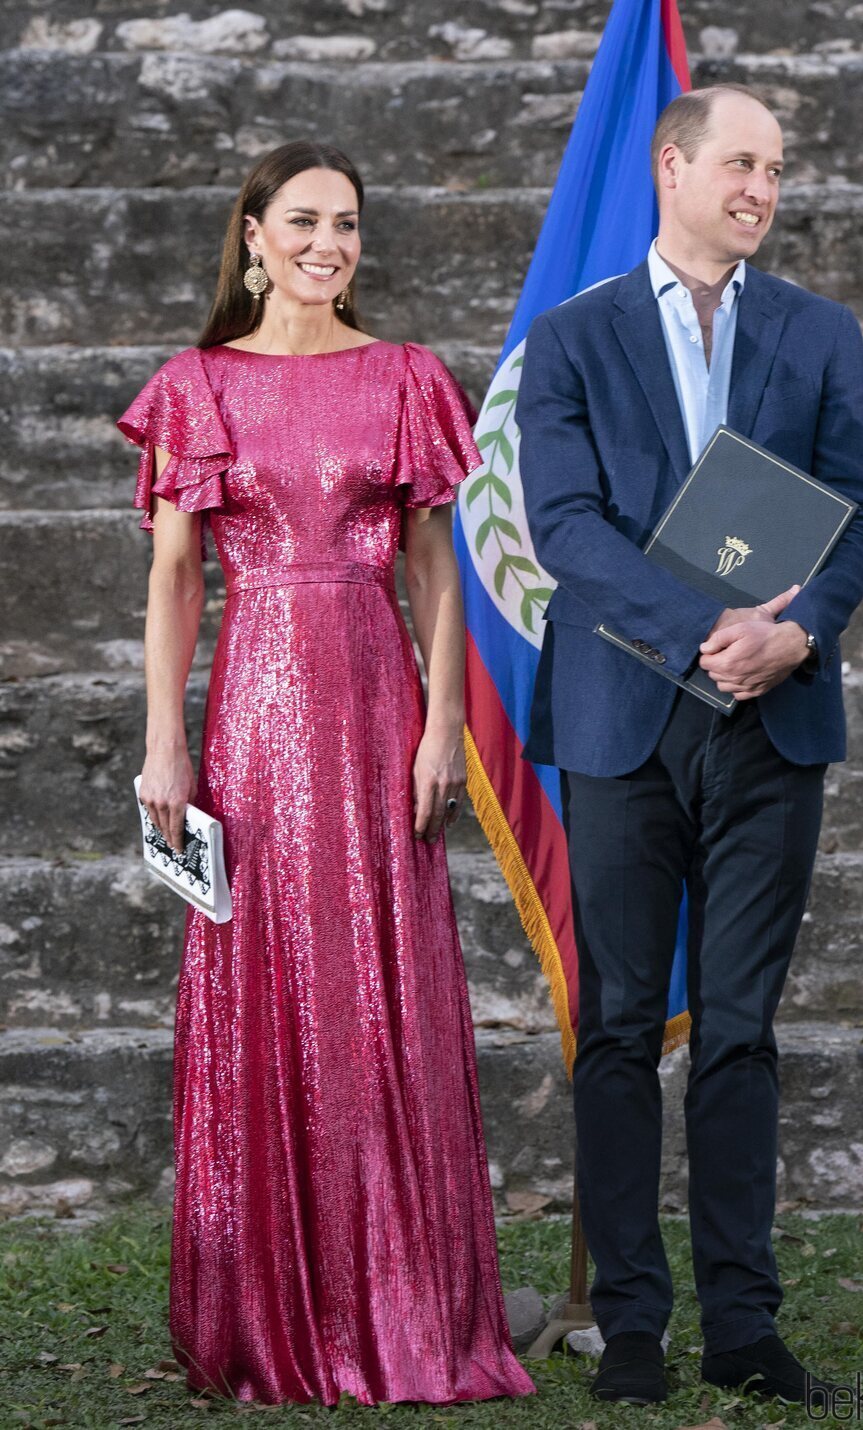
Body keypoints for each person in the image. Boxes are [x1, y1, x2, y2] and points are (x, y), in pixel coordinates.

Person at [118, 140, 534, 1409]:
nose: (325, 243)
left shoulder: (405, 376)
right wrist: (163, 737)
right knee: (267, 979)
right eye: (300, 221)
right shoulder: (196, 385)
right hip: (252, 710)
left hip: (376, 699)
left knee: (385, 984)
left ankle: (400, 1298)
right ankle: (274, 1304)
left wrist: (440, 722)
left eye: (345, 223)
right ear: (250, 233)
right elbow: (178, 576)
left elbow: (434, 569)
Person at [516, 85, 863, 1407]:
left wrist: (798, 636)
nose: (763, 188)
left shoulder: (819, 330)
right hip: (623, 723)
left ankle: (743, 1323)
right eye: (742, 162)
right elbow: (564, 525)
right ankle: (628, 1327)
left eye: (777, 169)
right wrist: (708, 626)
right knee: (617, 1026)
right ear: (671, 165)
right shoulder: (572, 338)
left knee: (740, 1028)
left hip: (776, 721)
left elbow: (857, 514)